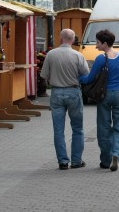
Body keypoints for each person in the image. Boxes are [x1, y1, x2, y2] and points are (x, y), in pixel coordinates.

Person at [80, 29, 119, 171]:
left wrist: (77, 78)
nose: (96, 45)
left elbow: (90, 78)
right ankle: (116, 154)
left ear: (105, 44)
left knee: (103, 128)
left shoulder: (100, 59)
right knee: (118, 128)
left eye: (98, 42)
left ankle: (106, 160)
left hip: (104, 95)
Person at [40, 28, 90, 170]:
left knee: (58, 130)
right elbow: (86, 75)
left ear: (60, 38)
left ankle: (62, 161)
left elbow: (43, 76)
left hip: (56, 93)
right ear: (73, 40)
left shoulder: (51, 54)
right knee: (78, 128)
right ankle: (76, 161)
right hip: (73, 92)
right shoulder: (78, 55)